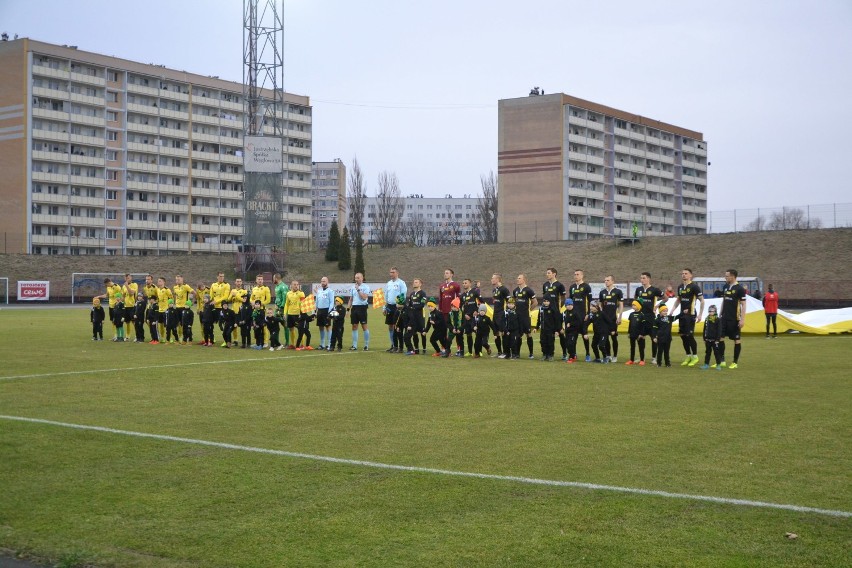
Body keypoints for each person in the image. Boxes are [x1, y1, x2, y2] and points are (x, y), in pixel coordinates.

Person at [671, 268, 705, 367]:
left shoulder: (694, 287)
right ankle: (688, 355)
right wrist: (672, 309)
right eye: (682, 273)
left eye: (686, 273)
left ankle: (695, 356)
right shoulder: (680, 287)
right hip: (682, 315)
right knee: (682, 335)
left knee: (689, 335)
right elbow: (678, 300)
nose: (684, 275)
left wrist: (700, 314)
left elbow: (702, 300)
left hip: (691, 315)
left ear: (691, 275)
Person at [719, 269, 747, 369]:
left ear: (733, 276)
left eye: (727, 276)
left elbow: (743, 305)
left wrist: (742, 319)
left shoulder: (740, 289)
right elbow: (724, 301)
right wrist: (720, 315)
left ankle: (735, 362)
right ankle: (722, 361)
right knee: (720, 338)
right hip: (724, 318)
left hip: (734, 319)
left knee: (736, 340)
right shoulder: (725, 287)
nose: (725, 278)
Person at [634, 272, 662, 365]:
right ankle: (642, 358)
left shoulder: (654, 290)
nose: (642, 279)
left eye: (644, 278)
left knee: (653, 338)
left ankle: (654, 357)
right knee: (640, 337)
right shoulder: (638, 290)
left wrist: (657, 305)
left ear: (649, 279)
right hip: (641, 317)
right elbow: (636, 300)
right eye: (641, 278)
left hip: (651, 317)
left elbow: (666, 298)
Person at [542, 268, 568, 360]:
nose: (547, 274)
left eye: (548, 273)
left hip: (557, 314)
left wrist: (559, 309)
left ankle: (565, 353)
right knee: (548, 334)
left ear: (554, 274)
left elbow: (563, 298)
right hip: (548, 314)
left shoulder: (559, 285)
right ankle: (547, 354)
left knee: (560, 333)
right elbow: (544, 297)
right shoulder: (545, 285)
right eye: (547, 273)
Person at [569, 270, 594, 361]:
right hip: (574, 317)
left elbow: (590, 301)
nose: (576, 276)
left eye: (578, 274)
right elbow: (570, 302)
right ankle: (574, 354)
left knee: (585, 336)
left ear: (582, 275)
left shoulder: (586, 287)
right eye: (575, 274)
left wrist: (588, 313)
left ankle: (587, 354)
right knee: (574, 336)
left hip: (584, 316)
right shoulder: (572, 287)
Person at [598, 275, 624, 363]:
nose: (606, 282)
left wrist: (620, 316)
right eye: (605, 280)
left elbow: (621, 305)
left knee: (613, 337)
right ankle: (608, 355)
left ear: (613, 281)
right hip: (604, 319)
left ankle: (615, 356)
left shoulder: (618, 292)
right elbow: (600, 304)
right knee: (606, 338)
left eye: (608, 280)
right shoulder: (602, 292)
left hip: (613, 319)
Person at [513, 274, 537, 359]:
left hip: (526, 317)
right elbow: (514, 302)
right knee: (518, 335)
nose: (517, 279)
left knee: (528, 334)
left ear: (524, 280)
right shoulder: (515, 290)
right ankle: (517, 354)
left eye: (519, 278)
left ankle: (531, 353)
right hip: (517, 317)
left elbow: (535, 302)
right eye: (517, 278)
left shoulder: (529, 290)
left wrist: (529, 310)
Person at [384, 267, 408, 352]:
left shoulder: (401, 283)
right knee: (390, 326)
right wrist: (385, 307)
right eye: (390, 272)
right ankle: (393, 344)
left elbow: (403, 294)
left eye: (393, 272)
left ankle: (399, 346)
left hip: (398, 307)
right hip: (389, 306)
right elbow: (386, 296)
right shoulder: (388, 283)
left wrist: (400, 304)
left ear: (397, 273)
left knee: (397, 326)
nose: (391, 274)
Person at [490, 274, 511, 358]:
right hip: (495, 314)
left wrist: (506, 313)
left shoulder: (504, 289)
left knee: (503, 333)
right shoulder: (494, 290)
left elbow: (509, 301)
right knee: (496, 333)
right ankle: (499, 352)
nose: (491, 280)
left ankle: (506, 353)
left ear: (498, 279)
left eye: (492, 278)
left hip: (501, 314)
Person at [348, 272, 371, 351]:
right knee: (354, 326)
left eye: (358, 278)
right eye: (355, 278)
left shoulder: (366, 287)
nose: (356, 279)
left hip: (362, 308)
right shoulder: (352, 287)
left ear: (362, 278)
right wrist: (348, 309)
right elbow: (351, 299)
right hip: (354, 308)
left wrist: (358, 289)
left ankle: (366, 345)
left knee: (364, 326)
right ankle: (354, 345)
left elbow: (364, 297)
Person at [405, 279, 427, 355]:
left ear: (420, 284)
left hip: (420, 315)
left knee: (422, 332)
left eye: (416, 282)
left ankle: (424, 348)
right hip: (413, 316)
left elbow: (422, 304)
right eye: (414, 282)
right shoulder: (411, 294)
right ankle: (416, 348)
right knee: (414, 333)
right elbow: (410, 305)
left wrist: (414, 308)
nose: (414, 283)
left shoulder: (423, 293)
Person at [460, 278, 481, 356]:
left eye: (466, 283)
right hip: (466, 318)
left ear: (470, 284)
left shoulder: (475, 292)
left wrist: (477, 311)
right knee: (468, 334)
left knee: (477, 334)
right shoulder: (462, 295)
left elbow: (481, 302)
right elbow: (460, 307)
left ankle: (479, 351)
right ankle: (469, 351)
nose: (464, 284)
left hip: (474, 317)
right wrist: (464, 314)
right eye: (463, 283)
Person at [250, 274, 272, 347]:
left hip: (262, 310)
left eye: (261, 279)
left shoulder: (266, 288)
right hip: (255, 310)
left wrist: (260, 304)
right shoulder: (254, 288)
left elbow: (268, 300)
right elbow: (251, 298)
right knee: (255, 325)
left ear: (263, 280)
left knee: (263, 326)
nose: (260, 281)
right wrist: (252, 302)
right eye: (258, 279)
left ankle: (265, 342)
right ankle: (257, 342)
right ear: (256, 280)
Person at [700, 305, 723, 370]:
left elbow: (719, 330)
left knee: (716, 352)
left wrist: (717, 339)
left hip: (715, 340)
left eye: (711, 311)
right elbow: (705, 329)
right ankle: (706, 364)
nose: (710, 312)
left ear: (715, 311)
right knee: (707, 352)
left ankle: (718, 364)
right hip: (708, 339)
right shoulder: (707, 319)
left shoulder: (718, 320)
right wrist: (704, 338)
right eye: (709, 311)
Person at [284, 280, 305, 349]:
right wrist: (285, 313)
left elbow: (303, 304)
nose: (296, 286)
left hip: (297, 314)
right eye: (294, 284)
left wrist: (301, 313)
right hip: (290, 314)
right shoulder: (288, 294)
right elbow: (286, 304)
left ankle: (302, 344)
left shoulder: (301, 293)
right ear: (291, 285)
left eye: (297, 284)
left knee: (300, 329)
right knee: (291, 329)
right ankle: (293, 344)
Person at [439, 269, 461, 333]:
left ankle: (458, 343)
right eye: (445, 273)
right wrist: (440, 308)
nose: (445, 274)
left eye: (447, 273)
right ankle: (445, 343)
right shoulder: (442, 286)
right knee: (443, 329)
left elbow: (458, 298)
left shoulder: (456, 285)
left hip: (452, 311)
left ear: (452, 274)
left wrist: (456, 308)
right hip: (443, 310)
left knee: (453, 329)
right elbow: (441, 298)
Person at [538, 297, 561, 361]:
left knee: (550, 342)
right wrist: (536, 327)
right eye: (544, 301)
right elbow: (539, 319)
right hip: (543, 329)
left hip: (551, 330)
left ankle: (550, 355)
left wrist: (556, 330)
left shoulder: (553, 309)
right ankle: (544, 354)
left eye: (547, 301)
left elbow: (556, 320)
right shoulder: (541, 309)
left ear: (550, 302)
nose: (546, 302)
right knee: (543, 342)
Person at [314, 276, 334, 350]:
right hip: (320, 311)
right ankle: (322, 344)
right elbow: (317, 302)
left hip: (326, 311)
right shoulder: (319, 291)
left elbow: (332, 302)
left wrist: (329, 311)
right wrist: (315, 311)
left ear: (327, 282)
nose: (322, 282)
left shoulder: (330, 291)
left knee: (328, 327)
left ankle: (329, 344)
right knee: (321, 327)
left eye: (324, 281)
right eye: (322, 281)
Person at [625, 300, 645, 366]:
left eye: (634, 305)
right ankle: (631, 360)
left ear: (638, 306)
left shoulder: (642, 315)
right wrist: (629, 332)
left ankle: (642, 360)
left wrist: (641, 334)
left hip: (639, 334)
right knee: (632, 347)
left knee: (641, 347)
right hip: (632, 333)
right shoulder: (631, 314)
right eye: (632, 305)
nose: (633, 306)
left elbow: (643, 326)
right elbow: (630, 324)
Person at [272, 273, 290, 346]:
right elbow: (278, 298)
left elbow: (285, 298)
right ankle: (276, 342)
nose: (273, 280)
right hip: (277, 309)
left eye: (273, 278)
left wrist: (281, 307)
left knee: (285, 325)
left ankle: (287, 343)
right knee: (275, 325)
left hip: (282, 309)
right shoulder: (277, 286)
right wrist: (276, 304)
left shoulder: (283, 286)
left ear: (276, 278)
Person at [562, 298, 582, 363]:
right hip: (567, 332)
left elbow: (579, 322)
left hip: (574, 331)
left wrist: (571, 324)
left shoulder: (575, 312)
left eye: (570, 304)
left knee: (571, 344)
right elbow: (563, 321)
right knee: (567, 344)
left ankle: (572, 357)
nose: (569, 306)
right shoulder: (565, 312)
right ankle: (573, 355)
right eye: (568, 305)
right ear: (565, 305)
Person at [230, 278, 248, 347]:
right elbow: (228, 299)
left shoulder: (244, 291)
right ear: (235, 282)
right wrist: (232, 295)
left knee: (243, 327)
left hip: (241, 312)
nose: (239, 283)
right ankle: (235, 340)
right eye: (237, 281)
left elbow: (244, 300)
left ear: (242, 282)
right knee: (234, 327)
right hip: (234, 311)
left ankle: (244, 342)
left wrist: (236, 295)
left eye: (240, 281)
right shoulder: (232, 290)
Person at [122, 273, 138, 341]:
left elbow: (131, 293)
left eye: (128, 278)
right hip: (126, 306)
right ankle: (127, 336)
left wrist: (127, 286)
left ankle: (137, 336)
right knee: (127, 322)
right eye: (125, 278)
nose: (127, 279)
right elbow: (123, 295)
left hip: (132, 306)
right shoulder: (123, 286)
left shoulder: (134, 284)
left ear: (131, 278)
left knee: (134, 322)